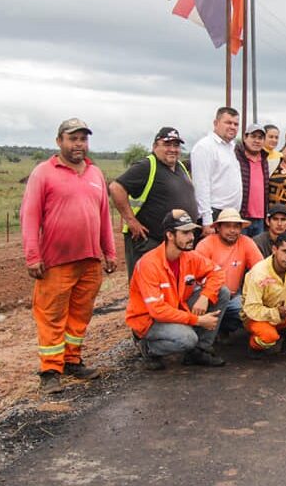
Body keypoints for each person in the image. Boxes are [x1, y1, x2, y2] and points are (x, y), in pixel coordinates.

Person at [21, 118, 117, 394]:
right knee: (51, 314)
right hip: (56, 260)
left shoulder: (95, 174)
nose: (79, 144)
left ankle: (72, 359)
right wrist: (32, 255)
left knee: (80, 313)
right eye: (73, 138)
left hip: (89, 259)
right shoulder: (43, 173)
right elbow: (29, 216)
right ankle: (50, 369)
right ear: (59, 141)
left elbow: (102, 217)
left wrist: (109, 252)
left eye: (83, 139)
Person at [126, 209, 230, 371]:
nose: (191, 237)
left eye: (192, 232)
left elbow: (217, 273)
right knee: (187, 338)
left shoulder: (188, 256)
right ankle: (148, 348)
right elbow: (157, 311)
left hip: (175, 309)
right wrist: (197, 321)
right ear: (170, 235)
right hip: (150, 320)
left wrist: (205, 296)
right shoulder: (149, 264)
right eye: (185, 233)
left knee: (222, 292)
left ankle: (199, 351)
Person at [110, 127, 196, 278]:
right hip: (148, 241)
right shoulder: (147, 166)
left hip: (172, 243)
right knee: (146, 285)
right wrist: (131, 221)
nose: (173, 149)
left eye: (176, 145)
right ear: (155, 146)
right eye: (167, 144)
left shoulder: (180, 167)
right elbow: (116, 188)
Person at [194, 208, 264, 333]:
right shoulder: (205, 245)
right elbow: (196, 278)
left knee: (252, 311)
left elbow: (261, 270)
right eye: (227, 226)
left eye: (236, 227)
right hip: (207, 297)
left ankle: (227, 329)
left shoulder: (246, 242)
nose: (232, 231)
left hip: (233, 297)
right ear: (218, 228)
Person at [190, 107, 243, 235]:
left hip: (231, 214)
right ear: (216, 123)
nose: (232, 127)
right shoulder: (205, 147)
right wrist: (207, 222)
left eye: (236, 124)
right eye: (228, 122)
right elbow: (201, 185)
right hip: (214, 214)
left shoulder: (232, 148)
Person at [235, 124, 270, 237]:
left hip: (260, 218)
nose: (257, 140)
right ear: (245, 137)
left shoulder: (264, 160)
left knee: (256, 252)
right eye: (253, 136)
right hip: (241, 216)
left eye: (260, 138)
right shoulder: (236, 156)